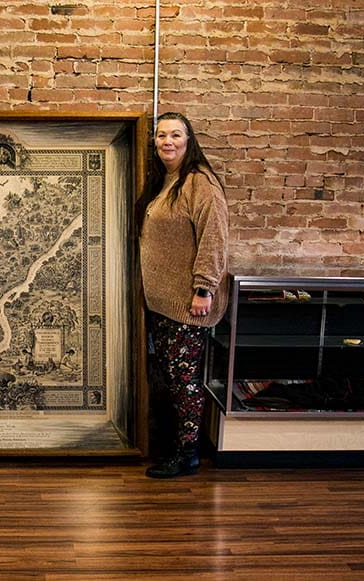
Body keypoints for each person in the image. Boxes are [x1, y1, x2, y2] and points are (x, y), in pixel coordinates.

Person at [137, 112, 229, 478]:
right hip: (163, 303)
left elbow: (215, 236)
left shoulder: (199, 181)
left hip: (189, 303)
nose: (167, 142)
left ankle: (188, 454)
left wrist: (203, 288)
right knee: (173, 376)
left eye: (176, 135)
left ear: (189, 141)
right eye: (161, 136)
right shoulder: (166, 181)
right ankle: (178, 445)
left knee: (184, 378)